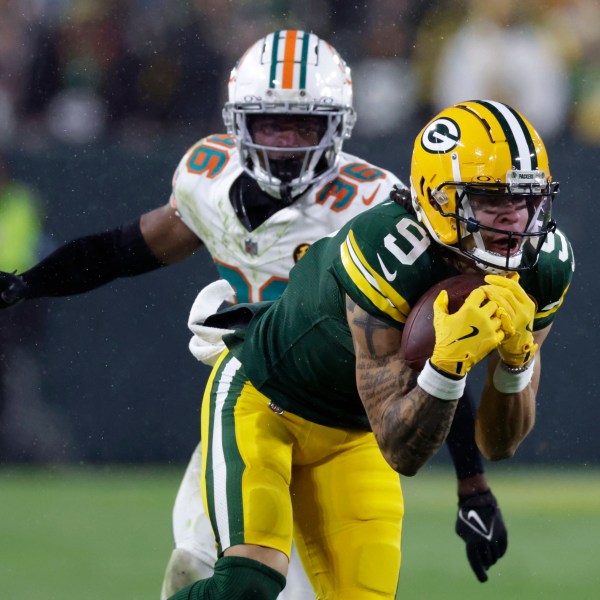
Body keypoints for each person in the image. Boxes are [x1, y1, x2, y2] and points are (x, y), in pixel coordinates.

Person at [0, 30, 502, 595]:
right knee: (219, 570)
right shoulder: (208, 178)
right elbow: (126, 248)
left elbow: (431, 346)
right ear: (239, 123)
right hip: (254, 399)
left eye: (303, 125)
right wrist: (28, 282)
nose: (286, 143)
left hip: (347, 422)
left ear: (337, 126)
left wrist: (473, 484)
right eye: (270, 124)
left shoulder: (377, 209)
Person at [168, 98, 574, 599]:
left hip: (350, 435)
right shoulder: (386, 249)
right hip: (265, 399)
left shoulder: (546, 264)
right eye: (492, 201)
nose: (515, 222)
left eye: (527, 201)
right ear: (439, 198)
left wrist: (515, 366)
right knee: (250, 582)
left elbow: (501, 443)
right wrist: (446, 369)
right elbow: (401, 449)